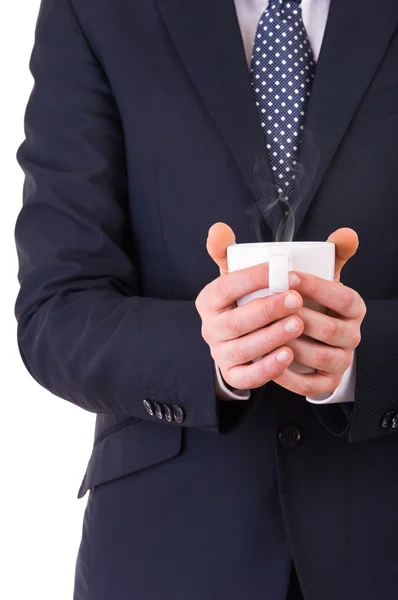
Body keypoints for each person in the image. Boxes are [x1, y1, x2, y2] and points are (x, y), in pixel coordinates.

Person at [14, 0, 398, 598]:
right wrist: (208, 356)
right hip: (167, 554)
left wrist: (357, 361)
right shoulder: (94, 12)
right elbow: (56, 310)